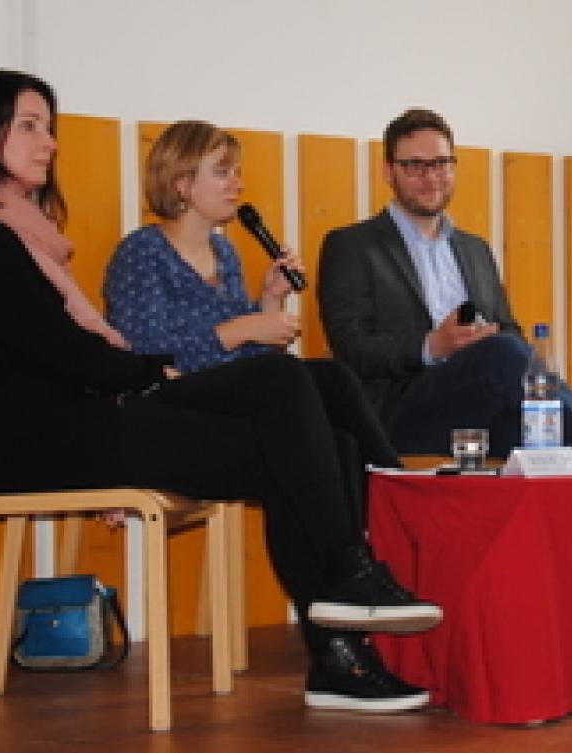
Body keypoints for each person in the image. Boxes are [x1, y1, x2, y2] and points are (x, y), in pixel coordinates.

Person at [0, 68, 441, 714]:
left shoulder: (19, 236)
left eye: (50, 126)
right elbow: (67, 352)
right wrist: (153, 373)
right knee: (283, 398)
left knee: (310, 394)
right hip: (39, 443)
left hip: (83, 421)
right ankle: (348, 593)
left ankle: (345, 627)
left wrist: (145, 373)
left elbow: (74, 355)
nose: (48, 140)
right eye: (29, 125)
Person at [103, 120, 429, 711]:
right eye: (221, 172)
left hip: (220, 410)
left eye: (235, 171)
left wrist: (268, 304)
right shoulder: (141, 252)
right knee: (290, 383)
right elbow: (146, 352)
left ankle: (347, 623)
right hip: (162, 410)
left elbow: (246, 368)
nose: (237, 184)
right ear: (181, 184)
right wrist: (244, 327)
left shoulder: (225, 253)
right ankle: (354, 562)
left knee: (329, 398)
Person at [317, 107, 572, 458]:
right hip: (401, 412)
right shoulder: (352, 245)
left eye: (441, 164)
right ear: (388, 171)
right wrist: (433, 346)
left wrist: (486, 341)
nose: (431, 178)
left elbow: (509, 331)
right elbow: (351, 348)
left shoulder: (475, 249)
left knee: (555, 441)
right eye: (415, 166)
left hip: (481, 404)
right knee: (504, 353)